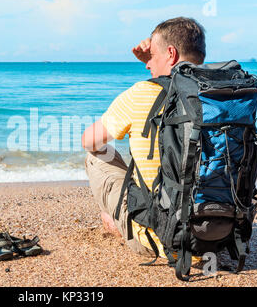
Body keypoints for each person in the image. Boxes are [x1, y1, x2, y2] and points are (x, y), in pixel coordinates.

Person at [82, 17, 206, 257]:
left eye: (153, 57)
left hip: (157, 242)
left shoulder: (140, 94)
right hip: (219, 238)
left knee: (96, 154)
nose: (148, 65)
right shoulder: (222, 96)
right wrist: (155, 57)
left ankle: (118, 221)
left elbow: (89, 141)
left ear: (170, 54)